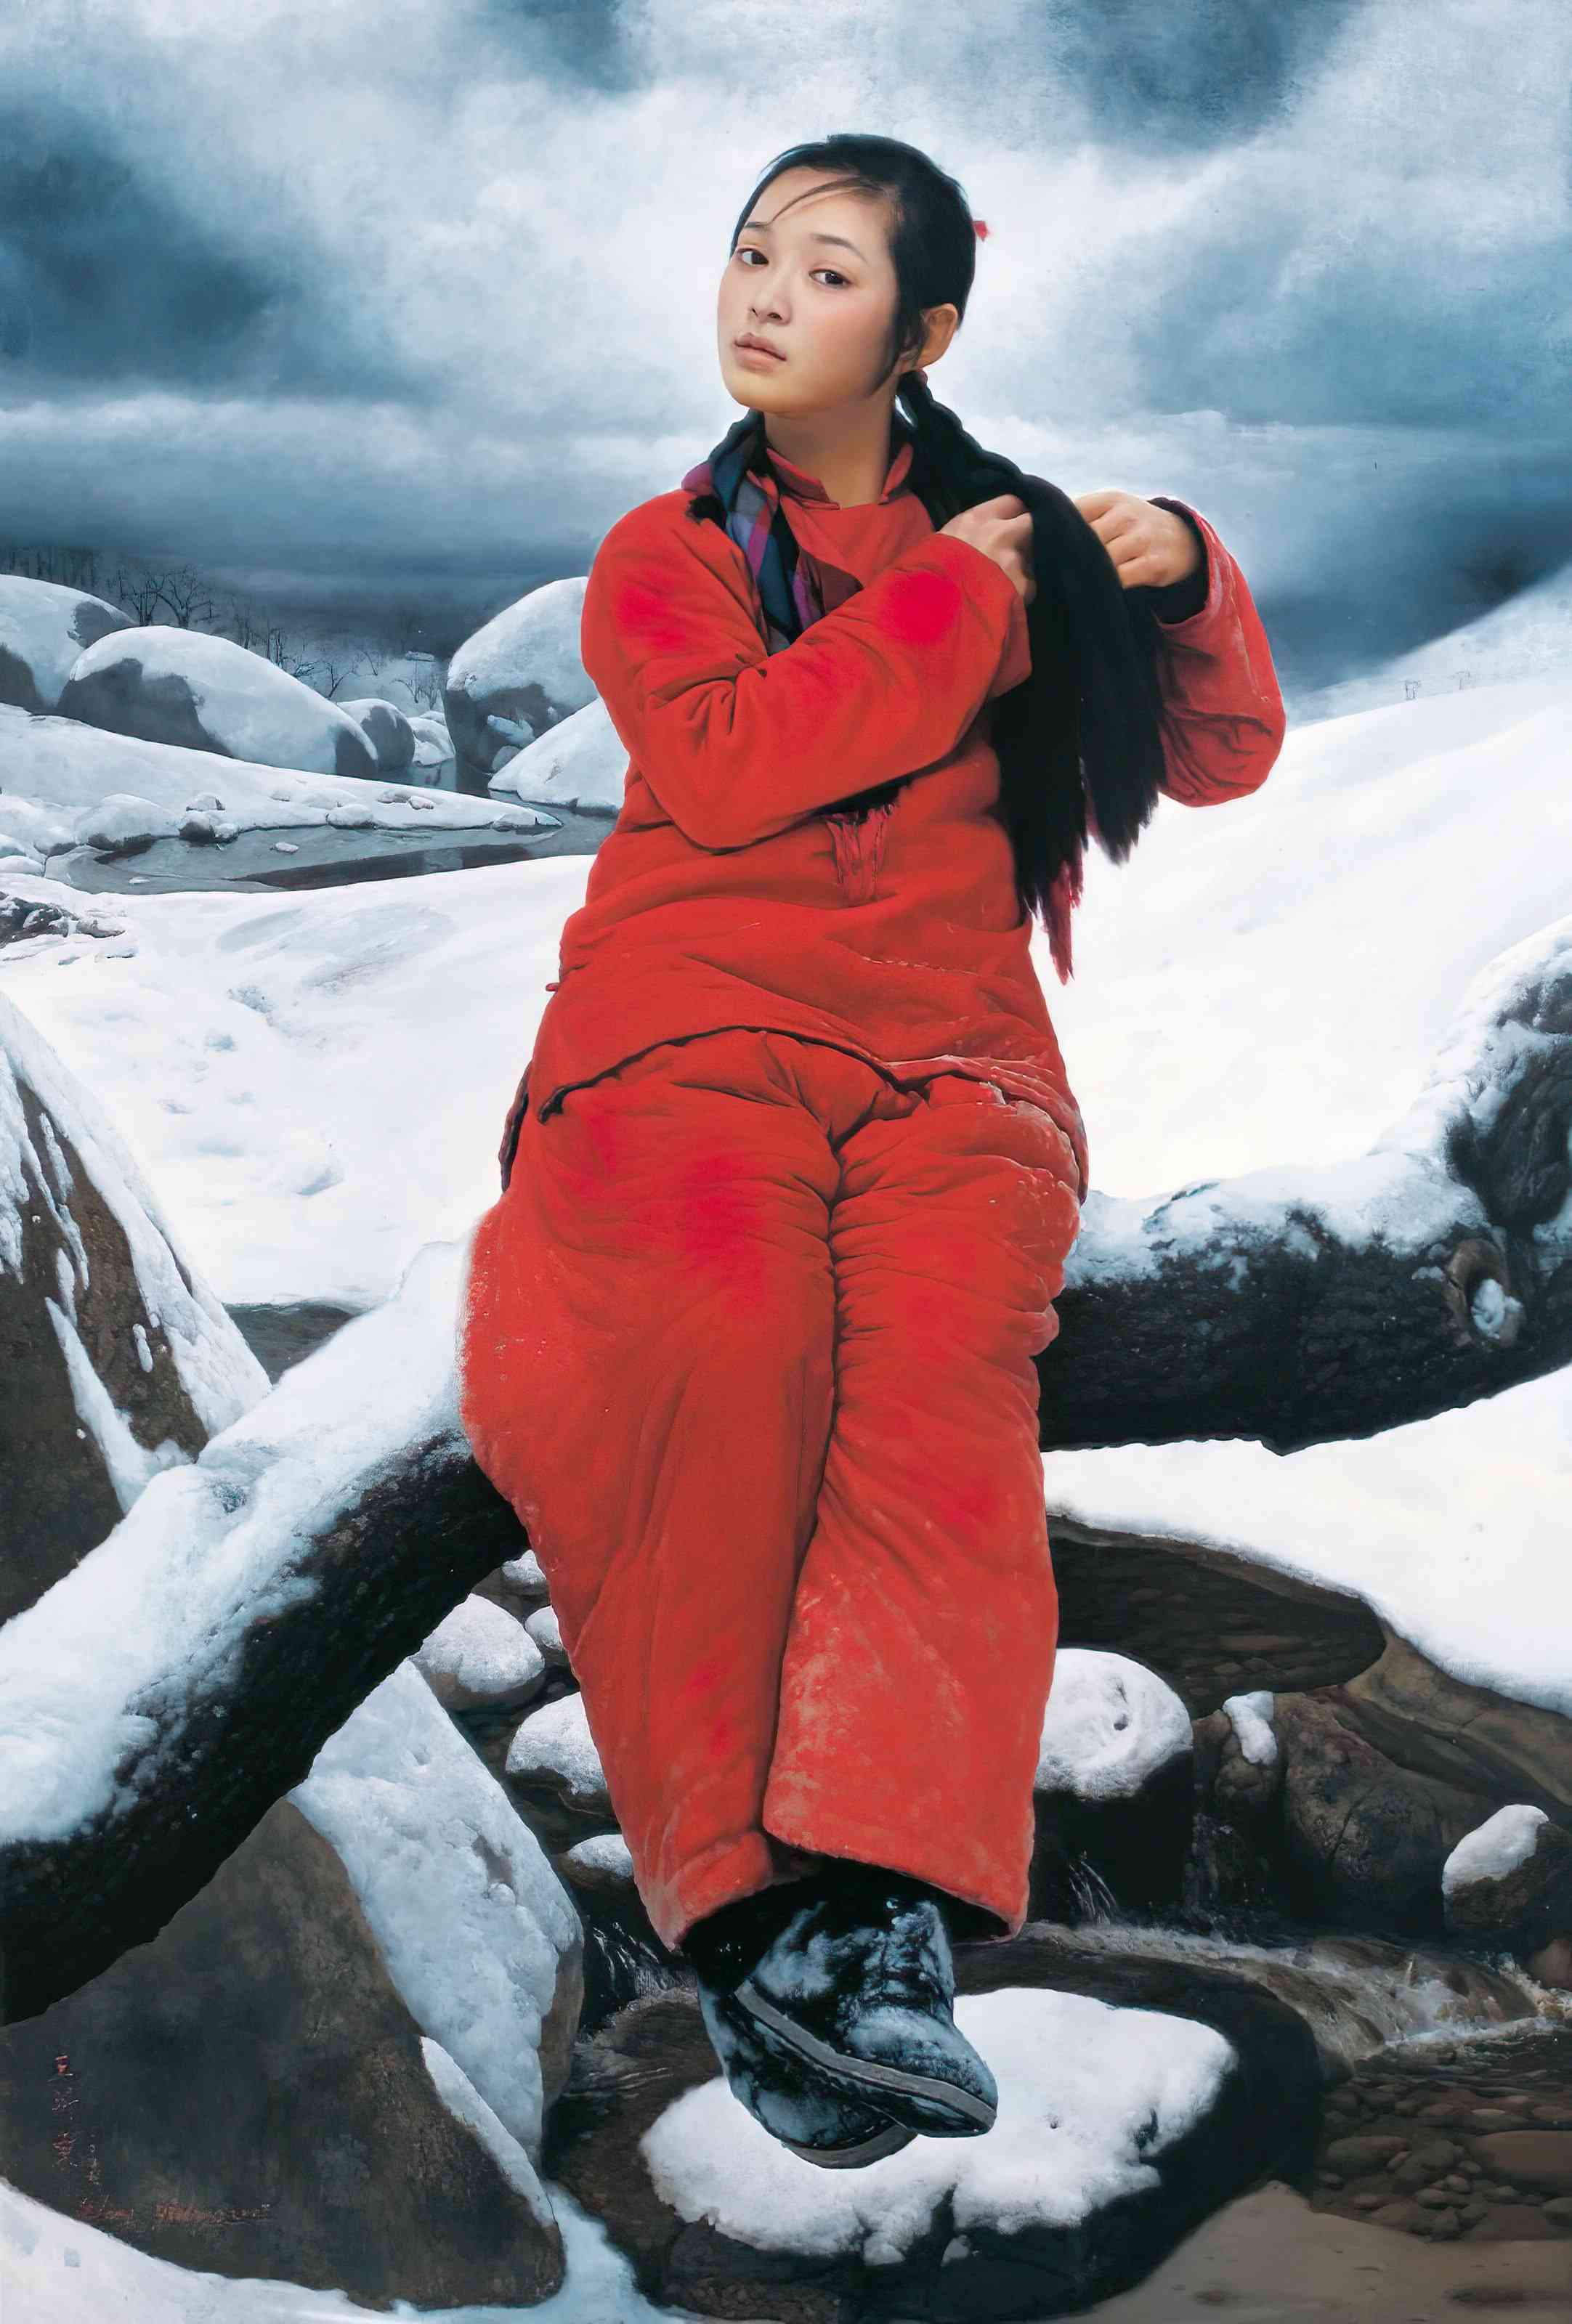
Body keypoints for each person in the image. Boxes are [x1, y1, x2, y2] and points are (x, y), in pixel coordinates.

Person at [458, 132, 1285, 2171]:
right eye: (750, 252)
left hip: (954, 1070)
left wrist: (1182, 567)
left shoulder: (1013, 541)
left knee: (934, 1389)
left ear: (922, 333)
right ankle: (753, 1915)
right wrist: (952, 596)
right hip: (685, 1028)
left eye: (824, 271)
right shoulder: (667, 554)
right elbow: (734, 765)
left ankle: (878, 1916)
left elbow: (1221, 751)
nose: (761, 295)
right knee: (719, 1332)